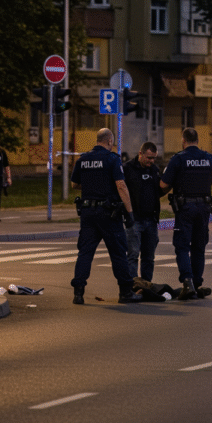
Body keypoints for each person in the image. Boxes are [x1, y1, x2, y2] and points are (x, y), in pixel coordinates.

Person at [70, 128, 142, 304]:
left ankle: (78, 293)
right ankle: (125, 292)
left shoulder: (83, 159)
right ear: (110, 141)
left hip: (87, 213)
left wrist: (91, 187)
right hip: (108, 213)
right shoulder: (112, 159)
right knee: (118, 252)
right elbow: (121, 186)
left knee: (85, 253)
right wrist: (130, 212)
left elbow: (74, 184)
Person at [159, 128, 212, 300]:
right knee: (199, 247)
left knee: (182, 246)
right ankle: (197, 283)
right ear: (197, 140)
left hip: (185, 208)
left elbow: (164, 184)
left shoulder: (178, 159)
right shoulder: (208, 158)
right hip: (204, 208)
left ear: (183, 140)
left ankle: (188, 282)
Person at [123, 142, 161, 281]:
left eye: (154, 158)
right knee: (132, 255)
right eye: (149, 157)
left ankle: (146, 286)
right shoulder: (127, 168)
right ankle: (133, 286)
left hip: (151, 220)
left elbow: (159, 190)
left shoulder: (154, 170)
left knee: (149, 257)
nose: (151, 161)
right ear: (141, 153)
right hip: (134, 219)